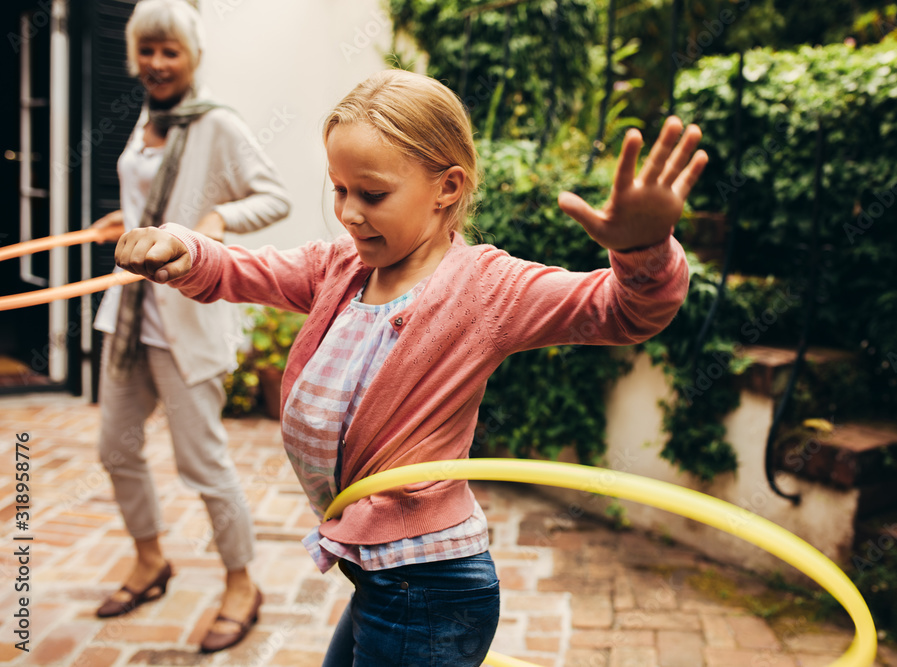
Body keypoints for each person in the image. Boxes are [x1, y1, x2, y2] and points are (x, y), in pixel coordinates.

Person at [113, 68, 706, 666]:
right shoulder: (340, 269)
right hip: (384, 575)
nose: (347, 212)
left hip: (430, 584)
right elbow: (243, 268)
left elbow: (625, 311)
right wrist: (182, 248)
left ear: (447, 187)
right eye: (338, 189)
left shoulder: (486, 289)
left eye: (371, 194)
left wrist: (643, 251)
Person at [90, 0, 290, 653]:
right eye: (146, 51)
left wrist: (221, 223)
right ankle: (150, 559)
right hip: (128, 315)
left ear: (193, 56)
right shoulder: (147, 122)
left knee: (201, 462)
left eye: (169, 51)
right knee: (115, 446)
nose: (155, 63)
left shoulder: (217, 126)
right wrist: (124, 224)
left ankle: (241, 583)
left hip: (188, 316)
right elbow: (152, 200)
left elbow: (273, 196)